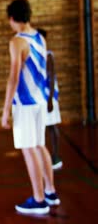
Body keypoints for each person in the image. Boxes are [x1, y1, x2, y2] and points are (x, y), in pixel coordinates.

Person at [1, 0, 60, 215]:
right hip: (40, 101)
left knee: (28, 148)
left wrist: (6, 109)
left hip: (25, 104)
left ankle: (38, 199)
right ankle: (51, 192)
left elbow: (13, 78)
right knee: (39, 145)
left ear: (12, 18)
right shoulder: (39, 37)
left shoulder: (17, 41)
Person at [37, 28, 63, 170]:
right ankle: (44, 157)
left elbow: (51, 78)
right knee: (43, 127)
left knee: (52, 126)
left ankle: (55, 156)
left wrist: (50, 99)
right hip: (40, 97)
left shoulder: (48, 55)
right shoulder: (37, 55)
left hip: (49, 97)